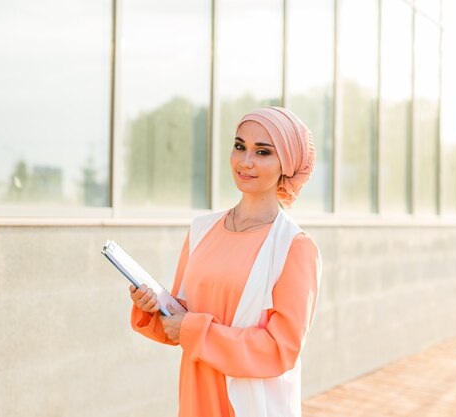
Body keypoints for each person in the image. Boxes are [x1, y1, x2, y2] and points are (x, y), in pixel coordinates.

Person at [129, 106, 322, 417]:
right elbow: (181, 317)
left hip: (251, 406)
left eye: (262, 152)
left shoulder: (294, 247)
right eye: (239, 146)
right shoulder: (202, 230)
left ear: (286, 163)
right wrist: (153, 305)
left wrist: (194, 330)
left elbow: (281, 348)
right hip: (196, 397)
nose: (245, 161)